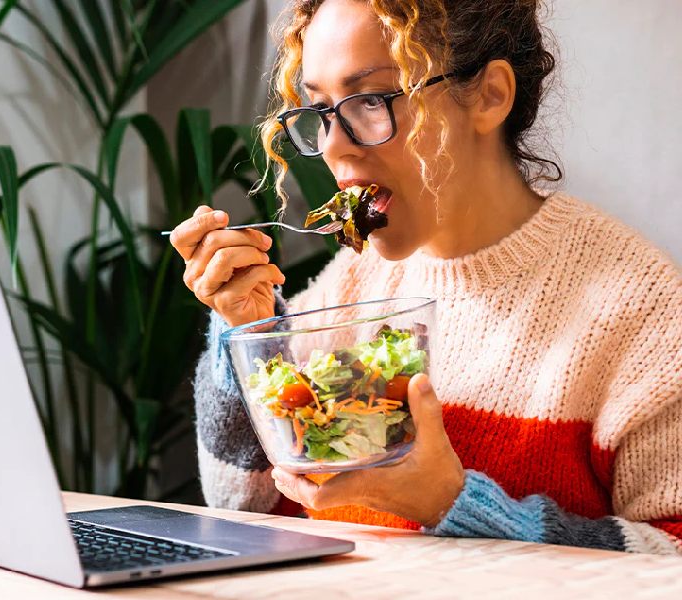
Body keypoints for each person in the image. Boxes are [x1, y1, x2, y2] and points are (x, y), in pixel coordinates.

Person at [169, 0, 681, 555]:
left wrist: (452, 503)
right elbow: (240, 509)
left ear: (490, 96)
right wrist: (246, 327)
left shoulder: (641, 306)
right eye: (320, 110)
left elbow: (671, 553)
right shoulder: (352, 282)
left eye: (369, 100)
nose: (335, 146)